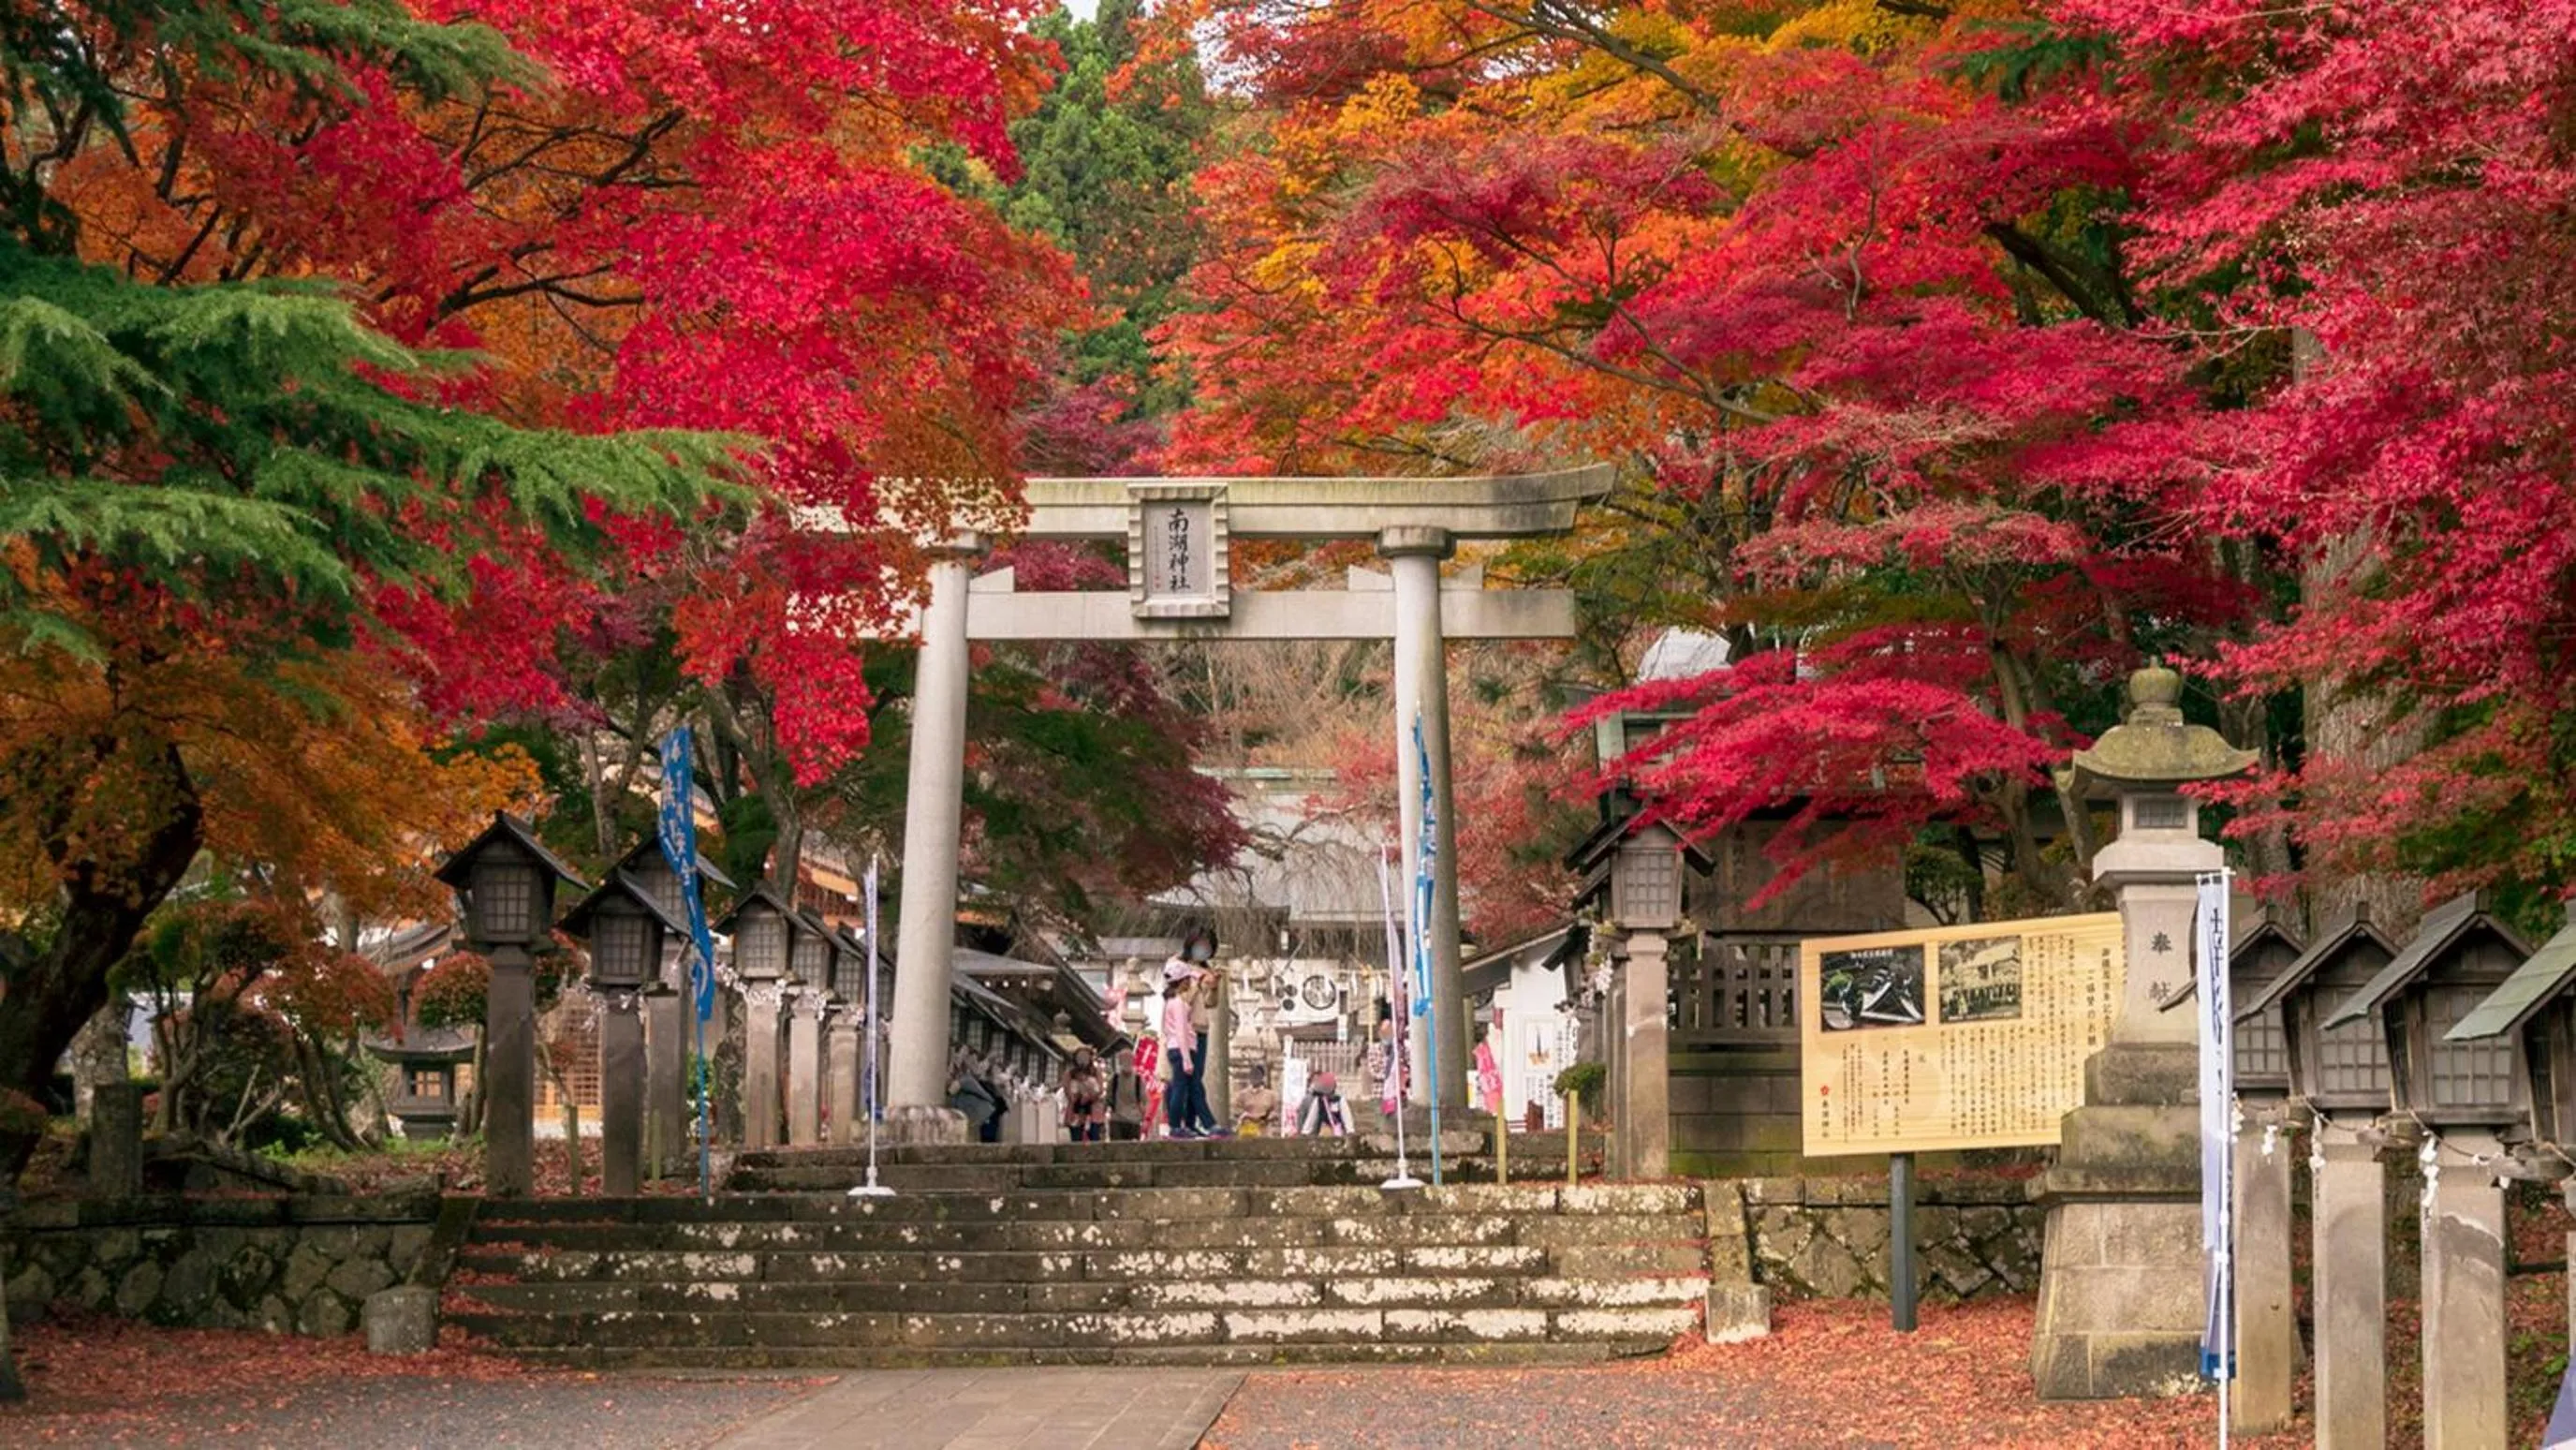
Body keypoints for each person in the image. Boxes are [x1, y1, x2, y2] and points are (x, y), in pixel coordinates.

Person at [1161, 972, 1205, 1139]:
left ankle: (1181, 1124)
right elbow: (1181, 1031)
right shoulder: (1178, 1003)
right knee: (1180, 1088)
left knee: (1181, 1087)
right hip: (1181, 1048)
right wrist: (1187, 1058)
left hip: (1176, 1047)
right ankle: (1175, 1125)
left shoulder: (1171, 1002)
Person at [1062, 1046, 1108, 1143]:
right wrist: (1075, 1097)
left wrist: (1090, 1096)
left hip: (1094, 1109)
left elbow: (1100, 1090)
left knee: (1095, 1136)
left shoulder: (1096, 1072)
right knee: (1076, 1137)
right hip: (1075, 1110)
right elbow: (1067, 1090)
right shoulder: (1070, 1073)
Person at [1107, 1044, 1145, 1141]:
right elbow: (1108, 1098)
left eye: (1129, 1059)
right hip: (1117, 1120)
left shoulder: (1138, 1080)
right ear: (1119, 1061)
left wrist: (1144, 1119)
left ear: (1133, 1061)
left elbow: (1143, 1100)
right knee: (1117, 1149)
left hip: (1134, 1121)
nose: (1126, 1062)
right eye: (1124, 1059)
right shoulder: (1114, 1079)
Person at [1298, 1071, 1350, 1137]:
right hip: (1323, 1130)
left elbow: (1346, 1116)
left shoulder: (1340, 1100)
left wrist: (1350, 1130)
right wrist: (1305, 1131)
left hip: (1338, 1131)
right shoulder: (1319, 1100)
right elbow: (1312, 1116)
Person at [1234, 1062, 1280, 1136]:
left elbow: (1275, 1113)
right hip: (1248, 1131)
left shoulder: (1271, 1095)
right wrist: (1245, 1116)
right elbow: (1236, 1112)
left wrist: (1267, 1118)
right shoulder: (1242, 1094)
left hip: (1264, 1132)